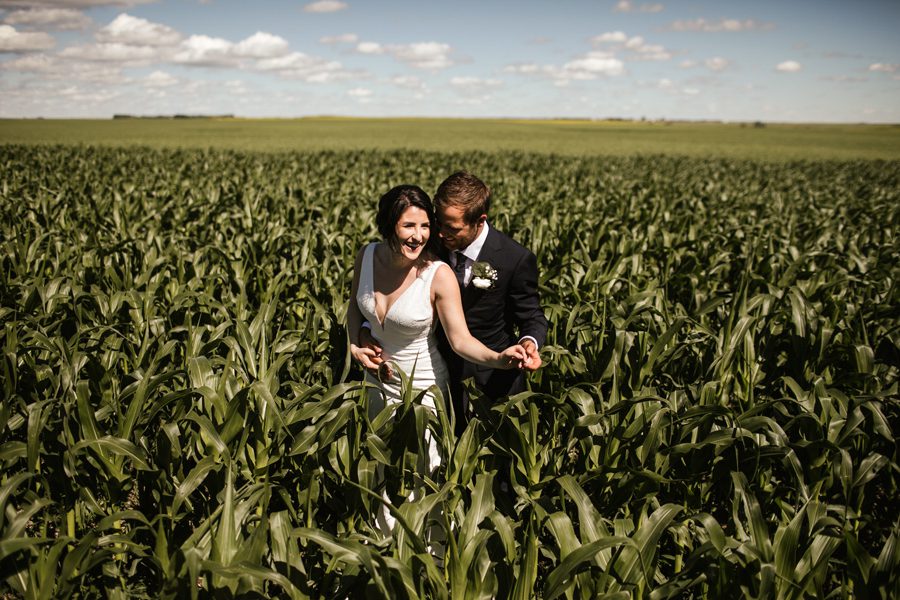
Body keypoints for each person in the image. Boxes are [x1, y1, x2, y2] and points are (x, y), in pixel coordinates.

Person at [348, 183, 529, 536]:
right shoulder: (366, 256)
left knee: (425, 478)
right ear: (389, 225)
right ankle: (383, 556)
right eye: (408, 226)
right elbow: (354, 309)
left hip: (424, 390)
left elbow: (460, 340)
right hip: (376, 387)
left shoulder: (437, 274)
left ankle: (428, 560)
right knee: (380, 471)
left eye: (425, 227)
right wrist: (356, 342)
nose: (418, 236)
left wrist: (499, 357)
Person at [362, 172, 549, 435]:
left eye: (452, 228)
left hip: (490, 380)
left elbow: (532, 316)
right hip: (434, 372)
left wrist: (528, 342)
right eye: (438, 222)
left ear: (479, 221)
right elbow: (390, 289)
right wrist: (365, 329)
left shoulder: (513, 259)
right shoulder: (428, 243)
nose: (439, 232)